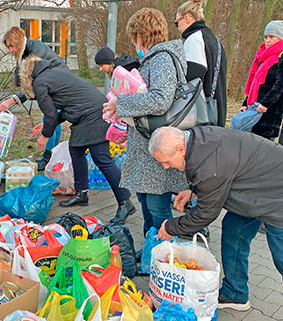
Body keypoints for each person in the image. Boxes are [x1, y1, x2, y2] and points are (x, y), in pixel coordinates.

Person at [151, 126, 283, 321]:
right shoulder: (194, 140)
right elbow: (218, 173)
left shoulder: (208, 162)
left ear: (180, 149)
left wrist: (170, 227)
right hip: (257, 185)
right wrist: (195, 191)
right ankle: (235, 293)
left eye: (166, 162)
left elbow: (206, 213)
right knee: (234, 231)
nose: (166, 167)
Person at [102, 8, 191, 234]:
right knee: (146, 200)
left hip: (157, 145)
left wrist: (120, 104)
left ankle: (161, 250)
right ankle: (151, 248)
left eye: (135, 37)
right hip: (148, 143)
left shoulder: (162, 58)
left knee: (156, 205)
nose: (134, 42)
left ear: (143, 35)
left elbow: (160, 99)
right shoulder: (156, 57)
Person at [19, 55, 135, 221]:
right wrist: (45, 126)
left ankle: (125, 202)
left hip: (93, 115)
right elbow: (68, 106)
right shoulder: (53, 72)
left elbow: (50, 114)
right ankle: (82, 193)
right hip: (90, 111)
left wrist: (45, 137)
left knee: (101, 158)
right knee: (76, 149)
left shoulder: (40, 82)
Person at [0, 26, 66, 171]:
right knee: (54, 121)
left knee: (49, 118)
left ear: (18, 40)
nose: (10, 50)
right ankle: (52, 155)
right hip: (56, 85)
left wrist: (12, 100)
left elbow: (34, 84)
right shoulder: (28, 51)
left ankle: (48, 157)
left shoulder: (35, 52)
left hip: (58, 86)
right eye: (8, 47)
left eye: (12, 46)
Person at [175, 0, 227, 127]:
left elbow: (192, 79)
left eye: (177, 22)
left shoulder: (194, 39)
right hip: (217, 108)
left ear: (186, 18)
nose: (177, 26)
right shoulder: (214, 39)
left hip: (202, 113)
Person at [242, 20, 283, 140]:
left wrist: (266, 103)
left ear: (280, 37)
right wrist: (246, 103)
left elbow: (282, 84)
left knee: (262, 149)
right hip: (254, 107)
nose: (268, 40)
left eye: (272, 37)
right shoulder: (262, 55)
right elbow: (254, 82)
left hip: (269, 110)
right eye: (266, 37)